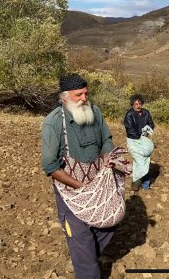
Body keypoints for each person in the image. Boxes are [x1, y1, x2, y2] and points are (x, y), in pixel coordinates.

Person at [41, 73, 116, 279]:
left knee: (110, 224)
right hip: (70, 194)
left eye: (86, 93)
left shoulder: (95, 112)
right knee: (82, 247)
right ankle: (85, 263)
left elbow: (106, 141)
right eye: (78, 95)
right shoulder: (54, 122)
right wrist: (79, 185)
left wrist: (110, 160)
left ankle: (86, 254)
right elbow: (50, 166)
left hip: (98, 186)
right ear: (64, 96)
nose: (84, 98)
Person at [123, 94, 155, 191]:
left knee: (145, 161)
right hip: (134, 141)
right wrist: (140, 136)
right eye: (136, 104)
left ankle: (145, 185)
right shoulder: (129, 114)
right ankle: (137, 183)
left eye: (140, 104)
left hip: (144, 140)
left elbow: (151, 124)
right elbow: (130, 129)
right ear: (132, 104)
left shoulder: (146, 112)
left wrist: (147, 130)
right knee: (139, 162)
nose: (138, 106)